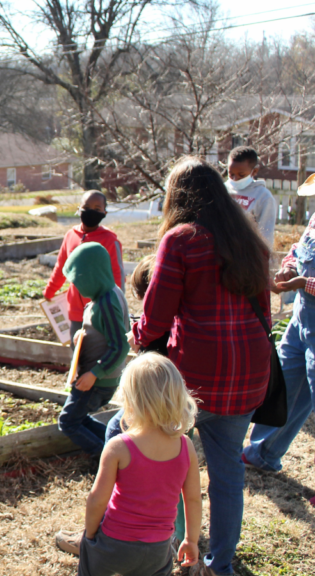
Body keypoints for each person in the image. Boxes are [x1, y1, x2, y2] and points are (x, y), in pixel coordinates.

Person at [122, 157, 270, 576]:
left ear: (177, 198)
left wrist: (137, 336)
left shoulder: (181, 240)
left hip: (195, 381)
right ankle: (217, 564)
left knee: (136, 442)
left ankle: (149, 544)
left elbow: (154, 320)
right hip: (248, 378)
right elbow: (266, 313)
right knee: (227, 474)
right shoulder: (249, 240)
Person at [76, 353, 202, 576]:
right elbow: (192, 498)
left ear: (130, 400)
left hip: (114, 542)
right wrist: (191, 540)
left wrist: (90, 534)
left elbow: (97, 499)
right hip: (158, 547)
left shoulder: (119, 446)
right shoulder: (185, 445)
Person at [243, 177, 315, 482]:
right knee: (285, 385)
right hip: (302, 319)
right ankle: (262, 452)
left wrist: (304, 284)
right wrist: (289, 267)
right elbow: (299, 249)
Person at [57, 242, 129, 457]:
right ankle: (117, 448)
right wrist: (82, 335)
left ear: (92, 275)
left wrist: (94, 374)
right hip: (97, 379)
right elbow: (102, 332)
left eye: (79, 281)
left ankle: (108, 462)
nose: (77, 287)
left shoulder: (106, 302)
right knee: (79, 418)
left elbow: (120, 346)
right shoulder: (108, 293)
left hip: (97, 380)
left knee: (68, 422)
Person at [43, 191, 125, 348]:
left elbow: (117, 274)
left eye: (97, 208)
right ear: (79, 208)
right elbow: (62, 266)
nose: (91, 211)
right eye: (86, 206)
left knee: (97, 352)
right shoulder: (70, 236)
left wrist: (118, 304)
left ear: (104, 213)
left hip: (100, 310)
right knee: (77, 354)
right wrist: (50, 291)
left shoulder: (109, 240)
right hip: (75, 310)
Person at [225, 146, 276, 249]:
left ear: (254, 171)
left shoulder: (263, 197)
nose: (235, 179)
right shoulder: (222, 190)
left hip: (246, 255)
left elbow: (266, 235)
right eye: (231, 174)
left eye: (241, 175)